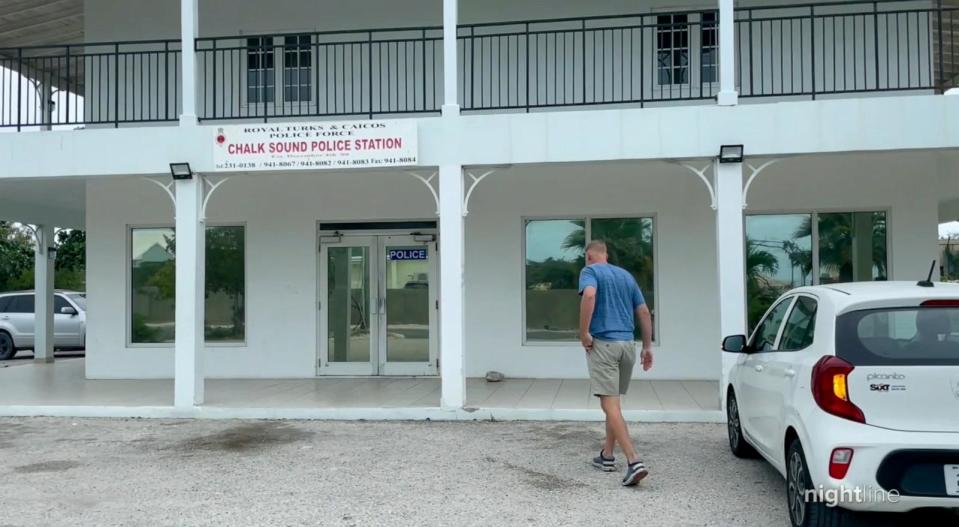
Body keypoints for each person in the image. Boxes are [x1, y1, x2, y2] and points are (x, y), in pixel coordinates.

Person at [578, 240, 654, 487]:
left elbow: (589, 294)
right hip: (627, 347)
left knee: (610, 406)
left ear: (589, 256)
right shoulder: (626, 276)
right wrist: (647, 346)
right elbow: (643, 311)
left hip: (605, 345)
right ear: (606, 255)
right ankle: (607, 456)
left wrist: (584, 333)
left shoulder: (590, 271)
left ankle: (634, 461)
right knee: (614, 404)